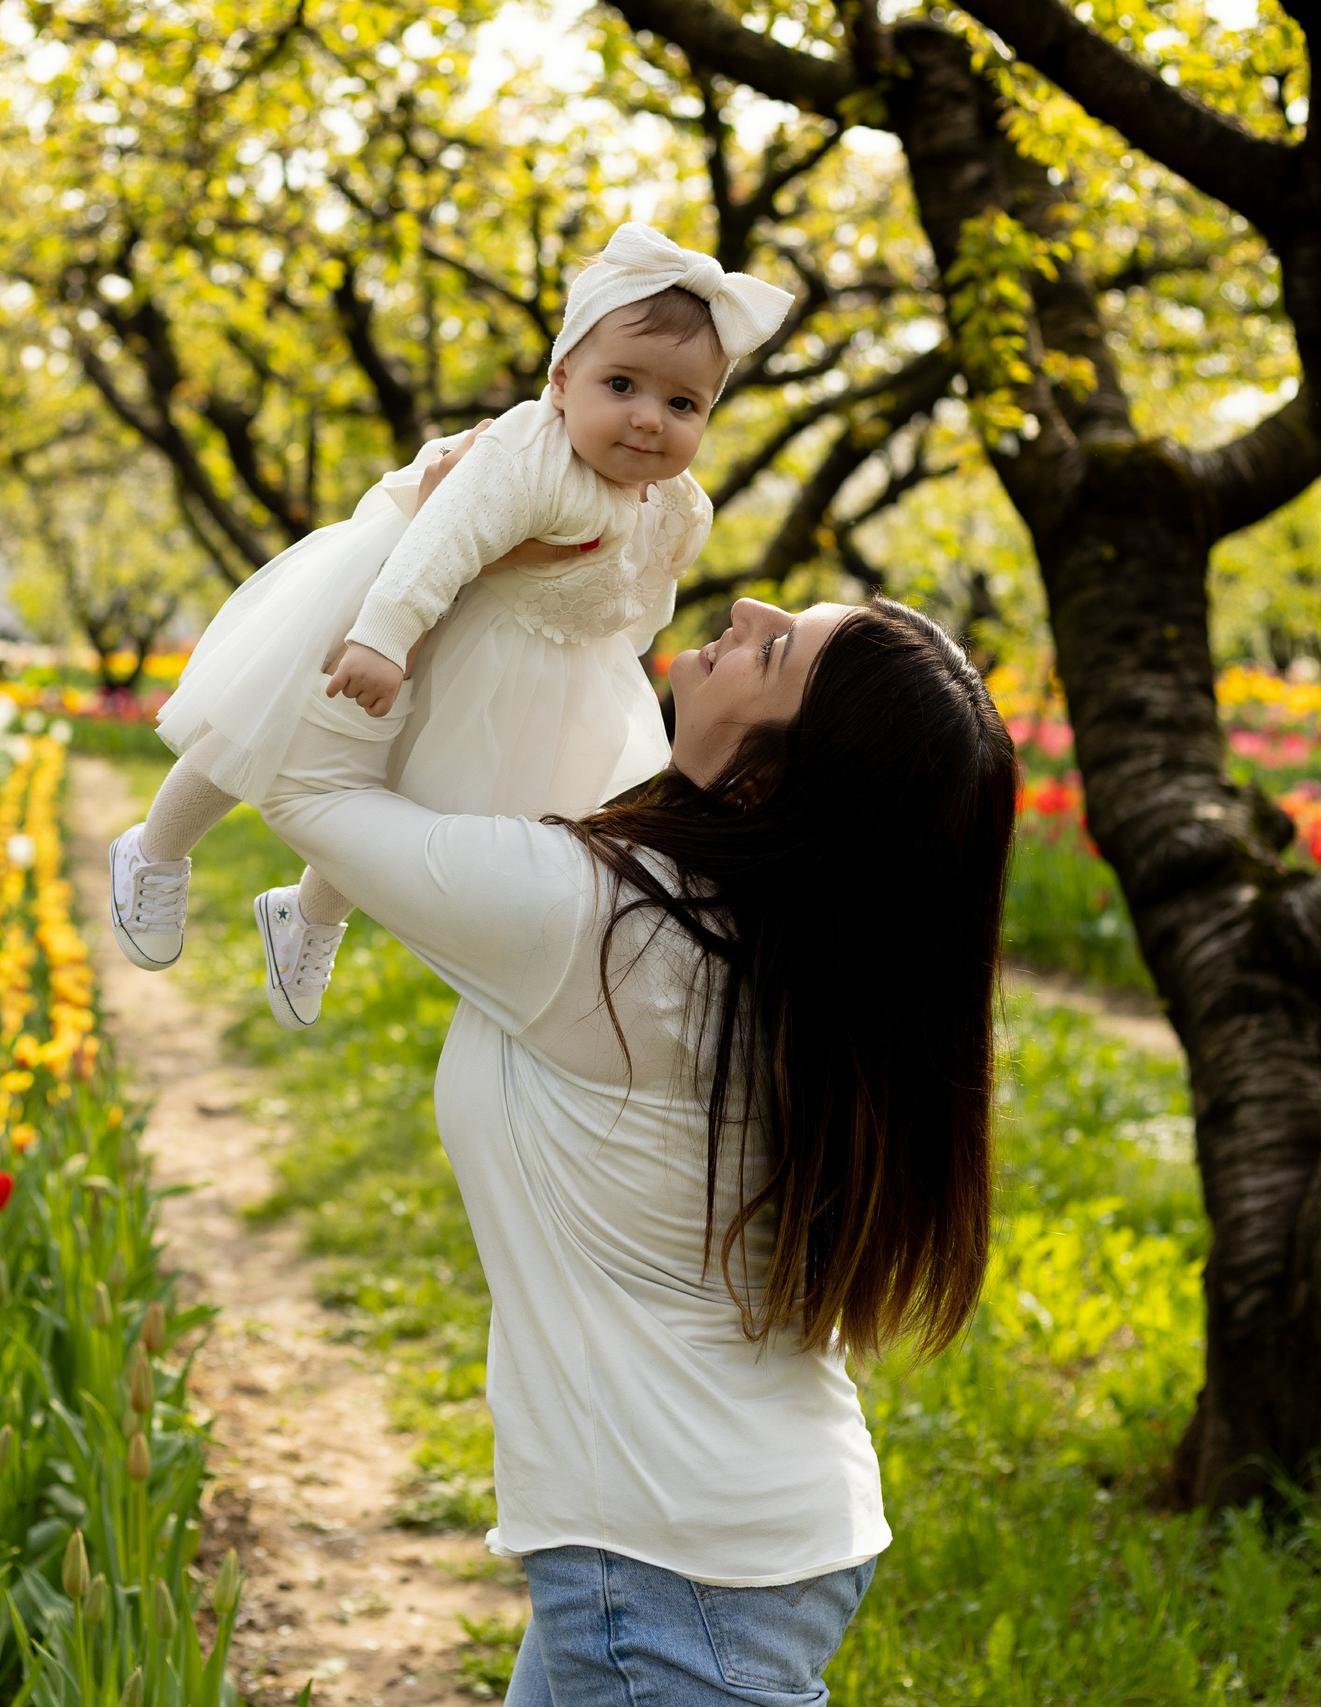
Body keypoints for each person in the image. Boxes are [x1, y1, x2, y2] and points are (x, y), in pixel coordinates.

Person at [252, 553, 1020, 1703]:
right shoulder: (782, 946)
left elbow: (298, 784)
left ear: (771, 786)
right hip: (721, 1536)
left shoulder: (597, 923)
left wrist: (412, 548)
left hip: (667, 1568)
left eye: (776, 652)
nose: (747, 609)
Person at [106, 223, 793, 1028]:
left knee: (399, 797)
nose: (649, 420)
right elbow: (442, 536)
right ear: (563, 379)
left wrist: (622, 651)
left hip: (523, 660)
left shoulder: (677, 501)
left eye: (683, 403)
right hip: (402, 605)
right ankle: (154, 849)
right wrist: (383, 635)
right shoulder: (528, 458)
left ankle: (309, 915)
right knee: (265, 729)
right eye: (622, 386)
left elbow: (646, 581)